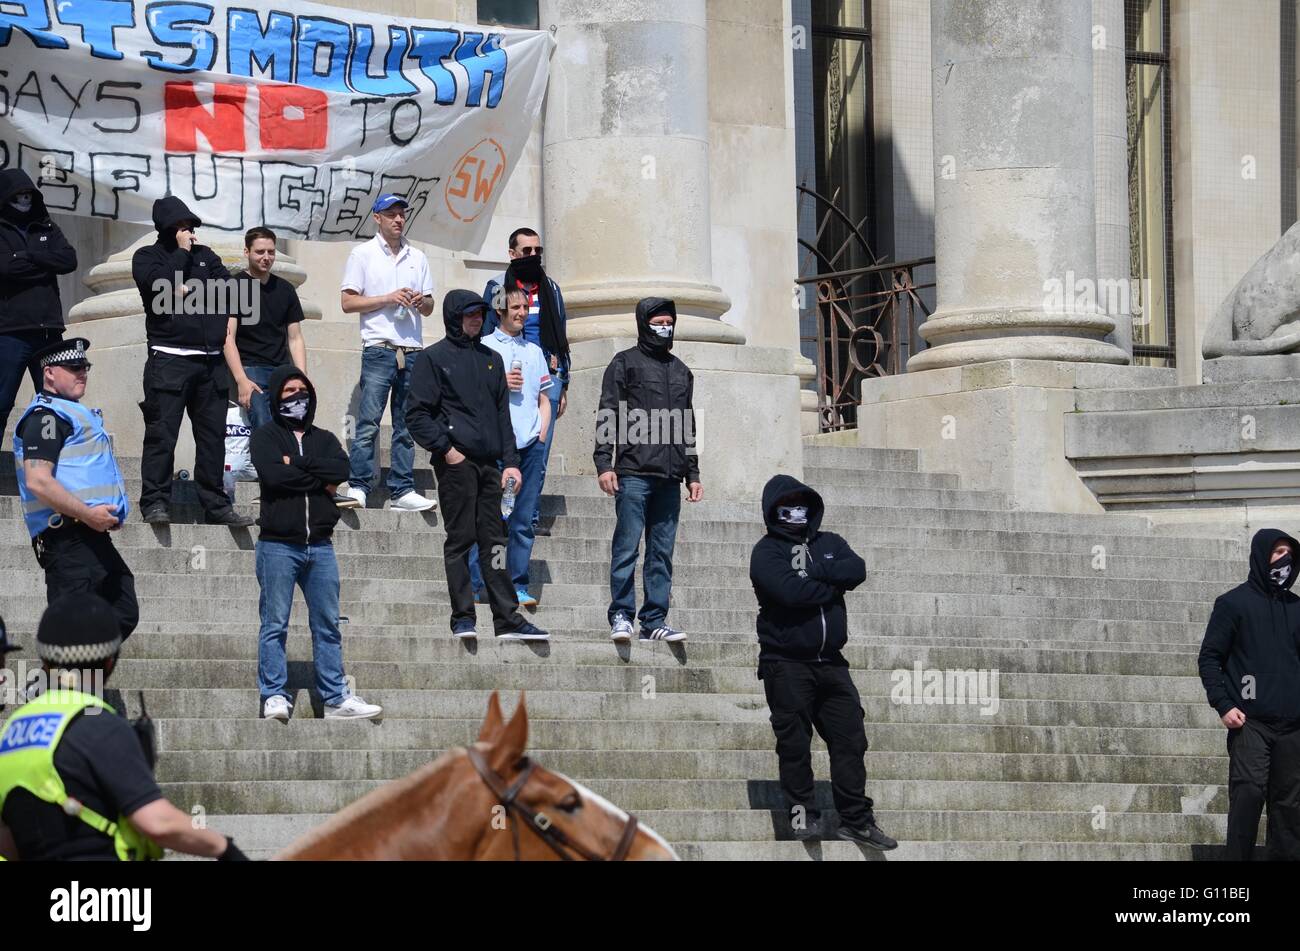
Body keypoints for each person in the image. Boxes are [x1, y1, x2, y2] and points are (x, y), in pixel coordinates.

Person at [0, 595, 249, 861]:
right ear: (110, 662)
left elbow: (7, 845)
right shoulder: (100, 726)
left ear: (45, 662)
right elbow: (158, 823)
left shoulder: (11, 732)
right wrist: (226, 848)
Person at [749, 474, 898, 850]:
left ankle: (857, 821)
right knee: (795, 743)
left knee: (851, 740)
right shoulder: (767, 551)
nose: (796, 511)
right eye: (788, 505)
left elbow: (857, 570)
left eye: (802, 504)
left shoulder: (830, 542)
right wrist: (831, 585)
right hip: (786, 663)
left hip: (832, 663)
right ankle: (802, 817)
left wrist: (813, 573)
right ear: (774, 510)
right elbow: (788, 592)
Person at [406, 290, 548, 642]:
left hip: (491, 465)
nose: (474, 319)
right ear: (454, 316)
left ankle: (506, 618)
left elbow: (502, 415)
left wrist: (511, 463)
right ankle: (463, 617)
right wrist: (447, 450)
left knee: (495, 539)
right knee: (461, 539)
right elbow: (417, 414)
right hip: (456, 464)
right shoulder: (433, 358)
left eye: (479, 314)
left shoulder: (491, 359)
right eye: (468, 314)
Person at [250, 366, 382, 720]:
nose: (297, 398)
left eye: (302, 390)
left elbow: (340, 471)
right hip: (278, 545)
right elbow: (274, 477)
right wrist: (314, 475)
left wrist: (298, 462)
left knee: (327, 623)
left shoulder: (325, 438)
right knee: (274, 622)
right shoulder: (265, 437)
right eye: (289, 392)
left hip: (321, 546)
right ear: (277, 398)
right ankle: (274, 693)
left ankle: (336, 696)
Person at [132, 196, 253, 527]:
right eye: (183, 228)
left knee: (213, 438)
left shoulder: (207, 256)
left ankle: (216, 505)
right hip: (169, 360)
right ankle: (155, 502)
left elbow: (232, 293)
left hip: (211, 364)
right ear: (169, 230)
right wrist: (181, 260)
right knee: (162, 435)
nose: (191, 234)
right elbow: (160, 290)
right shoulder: (147, 257)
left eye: (191, 228)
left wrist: (187, 289)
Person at [12, 338, 137, 642]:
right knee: (73, 633)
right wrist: (89, 514)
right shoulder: (46, 417)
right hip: (67, 539)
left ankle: (80, 680)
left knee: (121, 610)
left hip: (92, 536)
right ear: (50, 373)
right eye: (74, 367)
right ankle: (62, 683)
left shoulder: (71, 412)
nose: (83, 372)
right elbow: (38, 480)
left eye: (85, 367)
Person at [593, 297, 701, 643]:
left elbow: (687, 425)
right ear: (644, 324)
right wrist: (603, 464)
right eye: (657, 322)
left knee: (662, 552)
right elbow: (607, 412)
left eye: (669, 322)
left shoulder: (682, 371)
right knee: (627, 547)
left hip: (670, 479)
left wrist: (693, 474)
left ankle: (654, 620)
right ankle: (621, 615)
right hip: (633, 473)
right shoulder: (624, 363)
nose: (664, 328)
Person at [1198, 528, 1300, 860]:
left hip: (1294, 728)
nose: (1283, 559)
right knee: (1249, 794)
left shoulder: (1298, 608)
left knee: (1289, 806)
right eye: (1276, 552)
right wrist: (1223, 704)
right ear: (1259, 555)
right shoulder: (1232, 604)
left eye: (1288, 552)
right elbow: (1210, 658)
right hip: (1250, 723)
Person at [336, 194, 436, 512]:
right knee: (368, 421)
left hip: (413, 349)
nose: (398, 219)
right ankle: (359, 486)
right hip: (379, 347)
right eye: (391, 214)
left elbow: (431, 306)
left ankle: (402, 489)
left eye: (401, 214)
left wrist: (421, 301)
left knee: (406, 423)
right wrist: (388, 298)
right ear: (377, 218)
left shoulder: (417, 257)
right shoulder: (362, 254)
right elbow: (348, 302)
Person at [468, 286, 553, 607]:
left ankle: (517, 583)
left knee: (520, 521)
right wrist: (499, 381)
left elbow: (545, 398)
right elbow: (471, 398)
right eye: (515, 307)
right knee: (490, 518)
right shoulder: (484, 348)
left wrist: (541, 436)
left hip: (530, 447)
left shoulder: (534, 352)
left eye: (525, 307)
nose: (522, 313)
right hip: (494, 447)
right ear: (500, 311)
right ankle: (481, 584)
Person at [483, 228, 569, 535]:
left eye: (537, 251)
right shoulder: (497, 287)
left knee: (539, 453)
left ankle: (528, 518)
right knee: (507, 449)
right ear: (512, 254)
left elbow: (561, 334)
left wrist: (564, 382)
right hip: (508, 376)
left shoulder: (552, 289)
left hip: (546, 377)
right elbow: (485, 333)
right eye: (527, 251)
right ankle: (503, 516)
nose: (533, 256)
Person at [0, 169, 76, 438]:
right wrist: (45, 261)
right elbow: (7, 268)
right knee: (2, 404)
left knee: (58, 405)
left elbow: (69, 260)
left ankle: (60, 472)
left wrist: (28, 256)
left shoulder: (47, 226)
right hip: (11, 333)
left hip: (49, 332)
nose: (24, 198)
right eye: (18, 194)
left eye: (28, 193)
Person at [223, 226, 307, 431]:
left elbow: (295, 338)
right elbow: (227, 338)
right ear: (247, 252)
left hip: (283, 370)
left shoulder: (286, 289)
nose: (266, 257)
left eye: (271, 252)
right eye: (260, 252)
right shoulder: (234, 287)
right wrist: (241, 379)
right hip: (251, 369)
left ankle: (289, 464)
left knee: (295, 426)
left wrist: (302, 376)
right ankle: (269, 464)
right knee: (263, 425)